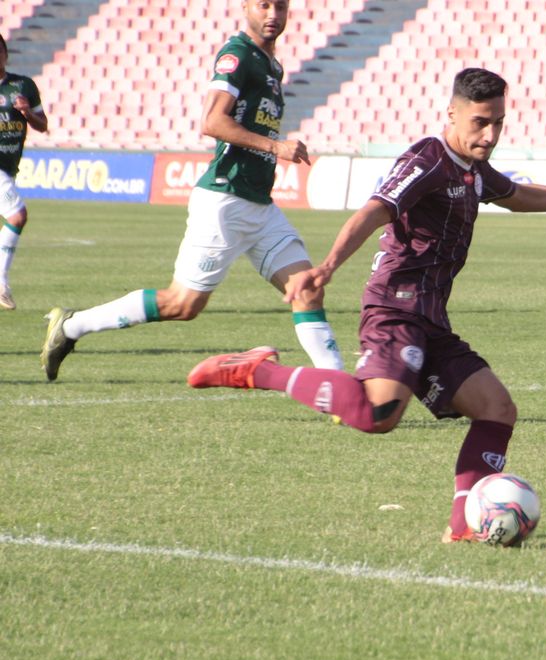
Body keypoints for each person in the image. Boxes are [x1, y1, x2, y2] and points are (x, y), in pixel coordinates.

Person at [187, 67, 546, 543]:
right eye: (479, 122)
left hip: (431, 318)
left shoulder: (472, 169)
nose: (489, 135)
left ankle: (462, 528)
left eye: (498, 123)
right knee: (377, 416)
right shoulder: (428, 159)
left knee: (496, 408)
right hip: (395, 308)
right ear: (452, 113)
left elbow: (516, 195)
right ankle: (256, 370)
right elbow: (374, 209)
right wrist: (326, 267)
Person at [41, 0, 343, 380]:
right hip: (225, 201)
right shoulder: (237, 56)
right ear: (246, 7)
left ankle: (337, 388)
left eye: (280, 6)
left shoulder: (272, 65)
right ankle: (71, 326)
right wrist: (275, 147)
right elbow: (212, 121)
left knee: (307, 288)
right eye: (263, 5)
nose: (273, 15)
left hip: (260, 206)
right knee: (182, 304)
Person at [0, 33, 50, 310]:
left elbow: (42, 125)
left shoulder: (23, 86)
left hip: (8, 167)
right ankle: (1, 281)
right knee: (17, 215)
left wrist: (27, 111)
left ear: (6, 54)